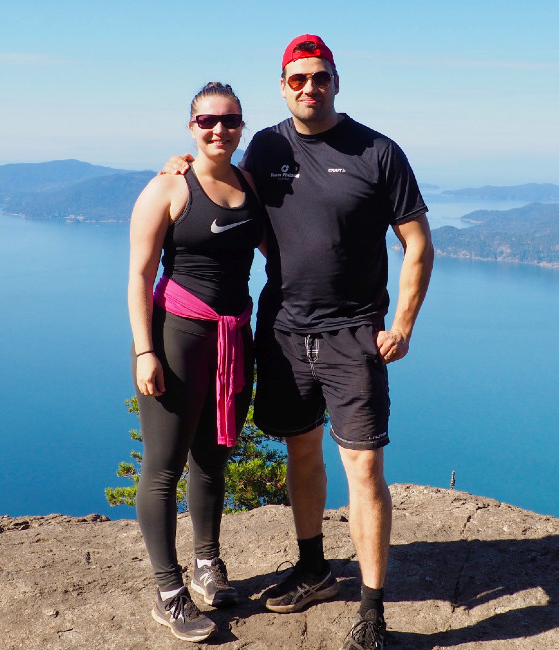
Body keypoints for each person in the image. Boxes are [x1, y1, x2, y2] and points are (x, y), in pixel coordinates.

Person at [165, 34, 433, 650]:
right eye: (296, 79)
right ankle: (314, 567)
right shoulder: (265, 145)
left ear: (336, 81)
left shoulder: (377, 151)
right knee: (301, 450)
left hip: (352, 332)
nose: (309, 88)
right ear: (283, 86)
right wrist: (179, 166)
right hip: (283, 328)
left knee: (363, 469)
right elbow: (224, 184)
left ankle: (372, 611)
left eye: (320, 77)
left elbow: (418, 243)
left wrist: (403, 327)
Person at [127, 81, 265, 643]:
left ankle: (208, 565)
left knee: (213, 455)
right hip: (179, 334)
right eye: (208, 120)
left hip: (235, 337)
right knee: (163, 466)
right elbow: (138, 275)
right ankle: (168, 591)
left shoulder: (248, 183)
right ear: (191, 126)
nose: (219, 130)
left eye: (230, 121)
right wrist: (145, 350)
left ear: (240, 127)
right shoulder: (167, 188)